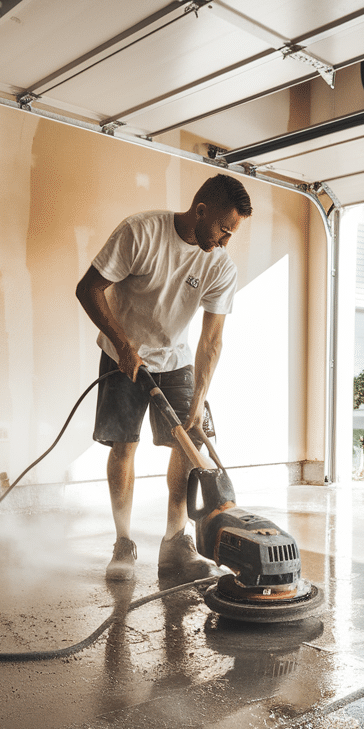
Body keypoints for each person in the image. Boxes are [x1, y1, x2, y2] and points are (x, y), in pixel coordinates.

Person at [75, 173, 252, 582]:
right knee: (124, 445)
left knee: (188, 443)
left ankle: (175, 542)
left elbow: (212, 339)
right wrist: (123, 345)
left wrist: (199, 396)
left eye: (233, 233)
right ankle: (123, 542)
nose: (226, 240)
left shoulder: (220, 266)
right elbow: (89, 288)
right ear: (201, 210)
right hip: (121, 356)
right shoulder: (142, 232)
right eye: (223, 230)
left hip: (175, 360)